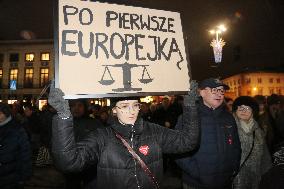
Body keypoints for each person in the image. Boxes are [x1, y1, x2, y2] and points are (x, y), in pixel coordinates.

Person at [48, 81, 200, 189]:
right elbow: (68, 162)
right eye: (124, 106)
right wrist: (63, 116)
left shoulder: (154, 131)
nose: (131, 111)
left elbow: (187, 142)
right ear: (114, 110)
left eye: (135, 105)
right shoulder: (102, 137)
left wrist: (190, 106)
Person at [176, 78, 241, 189]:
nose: (219, 94)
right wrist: (197, 173)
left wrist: (233, 168)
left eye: (221, 91)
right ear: (202, 93)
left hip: (224, 181)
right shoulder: (189, 116)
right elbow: (177, 149)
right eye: (214, 90)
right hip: (196, 183)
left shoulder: (228, 117)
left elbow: (235, 147)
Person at [232, 96, 272, 189]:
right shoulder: (230, 128)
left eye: (247, 108)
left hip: (255, 177)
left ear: (253, 111)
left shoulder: (258, 130)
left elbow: (264, 155)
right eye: (240, 107)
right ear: (235, 111)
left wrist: (267, 174)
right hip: (236, 178)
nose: (243, 110)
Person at [0, 102, 32, 189]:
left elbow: (25, 155)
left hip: (12, 177)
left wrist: (24, 177)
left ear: (5, 113)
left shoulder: (17, 130)